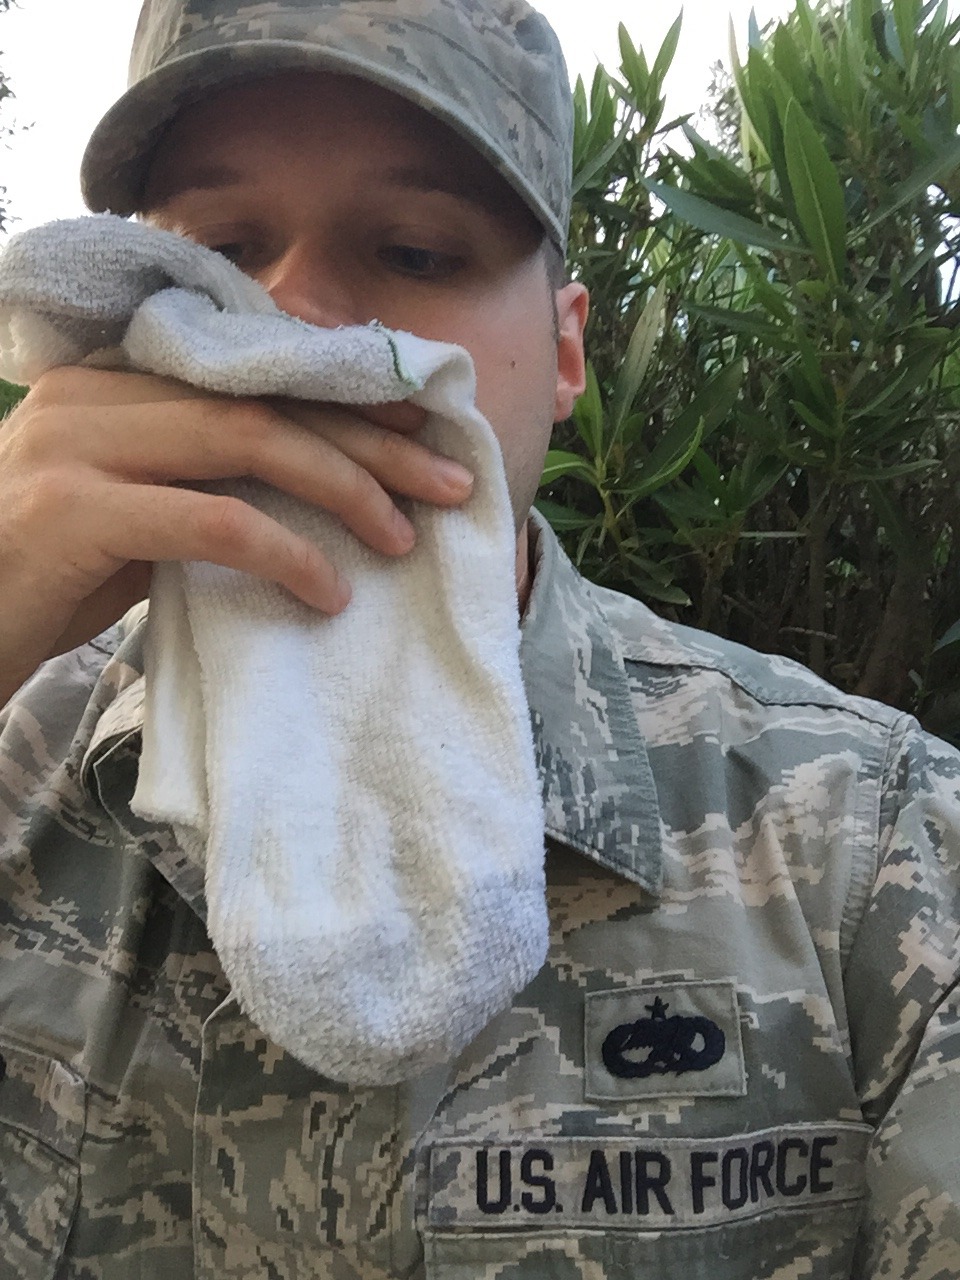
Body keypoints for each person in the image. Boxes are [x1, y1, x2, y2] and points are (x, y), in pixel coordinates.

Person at [0, 1, 958, 1276]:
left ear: (563, 354)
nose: (297, 318)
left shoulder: (873, 840)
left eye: (412, 248)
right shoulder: (18, 757)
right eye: (223, 251)